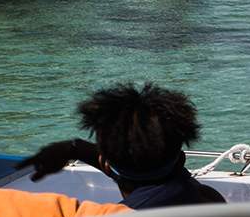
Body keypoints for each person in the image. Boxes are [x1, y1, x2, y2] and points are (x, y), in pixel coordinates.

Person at [22, 82, 226, 210]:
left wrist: (73, 148)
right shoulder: (210, 200)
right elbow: (149, 178)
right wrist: (75, 148)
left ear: (107, 166)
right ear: (181, 159)